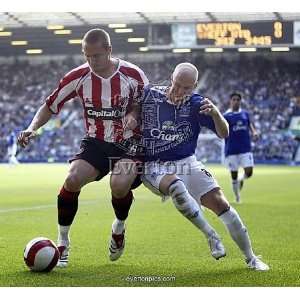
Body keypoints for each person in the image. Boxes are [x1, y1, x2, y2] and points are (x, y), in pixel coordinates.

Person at [18, 28, 148, 267]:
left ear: (109, 50)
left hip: (129, 143)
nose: (91, 61)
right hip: (96, 142)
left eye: (96, 56)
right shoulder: (78, 76)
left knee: (118, 185)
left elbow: (146, 104)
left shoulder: (133, 75)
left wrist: (133, 114)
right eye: (86, 56)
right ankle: (63, 242)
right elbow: (50, 104)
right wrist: (32, 127)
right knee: (72, 180)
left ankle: (118, 228)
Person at [140, 63, 269, 271]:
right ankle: (211, 235)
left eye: (187, 88)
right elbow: (128, 107)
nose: (180, 91)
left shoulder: (198, 104)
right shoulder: (149, 95)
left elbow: (224, 133)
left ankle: (251, 258)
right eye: (177, 85)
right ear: (171, 78)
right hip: (155, 165)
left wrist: (217, 114)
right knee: (177, 188)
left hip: (188, 162)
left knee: (223, 206)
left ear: (195, 86)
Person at [223, 93, 259, 203]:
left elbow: (250, 125)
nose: (236, 101)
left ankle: (241, 179)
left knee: (249, 172)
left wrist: (254, 132)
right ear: (230, 101)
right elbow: (222, 129)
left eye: (238, 99)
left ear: (240, 101)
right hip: (231, 150)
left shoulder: (245, 114)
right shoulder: (226, 116)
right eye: (234, 99)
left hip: (245, 148)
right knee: (233, 175)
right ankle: (237, 196)